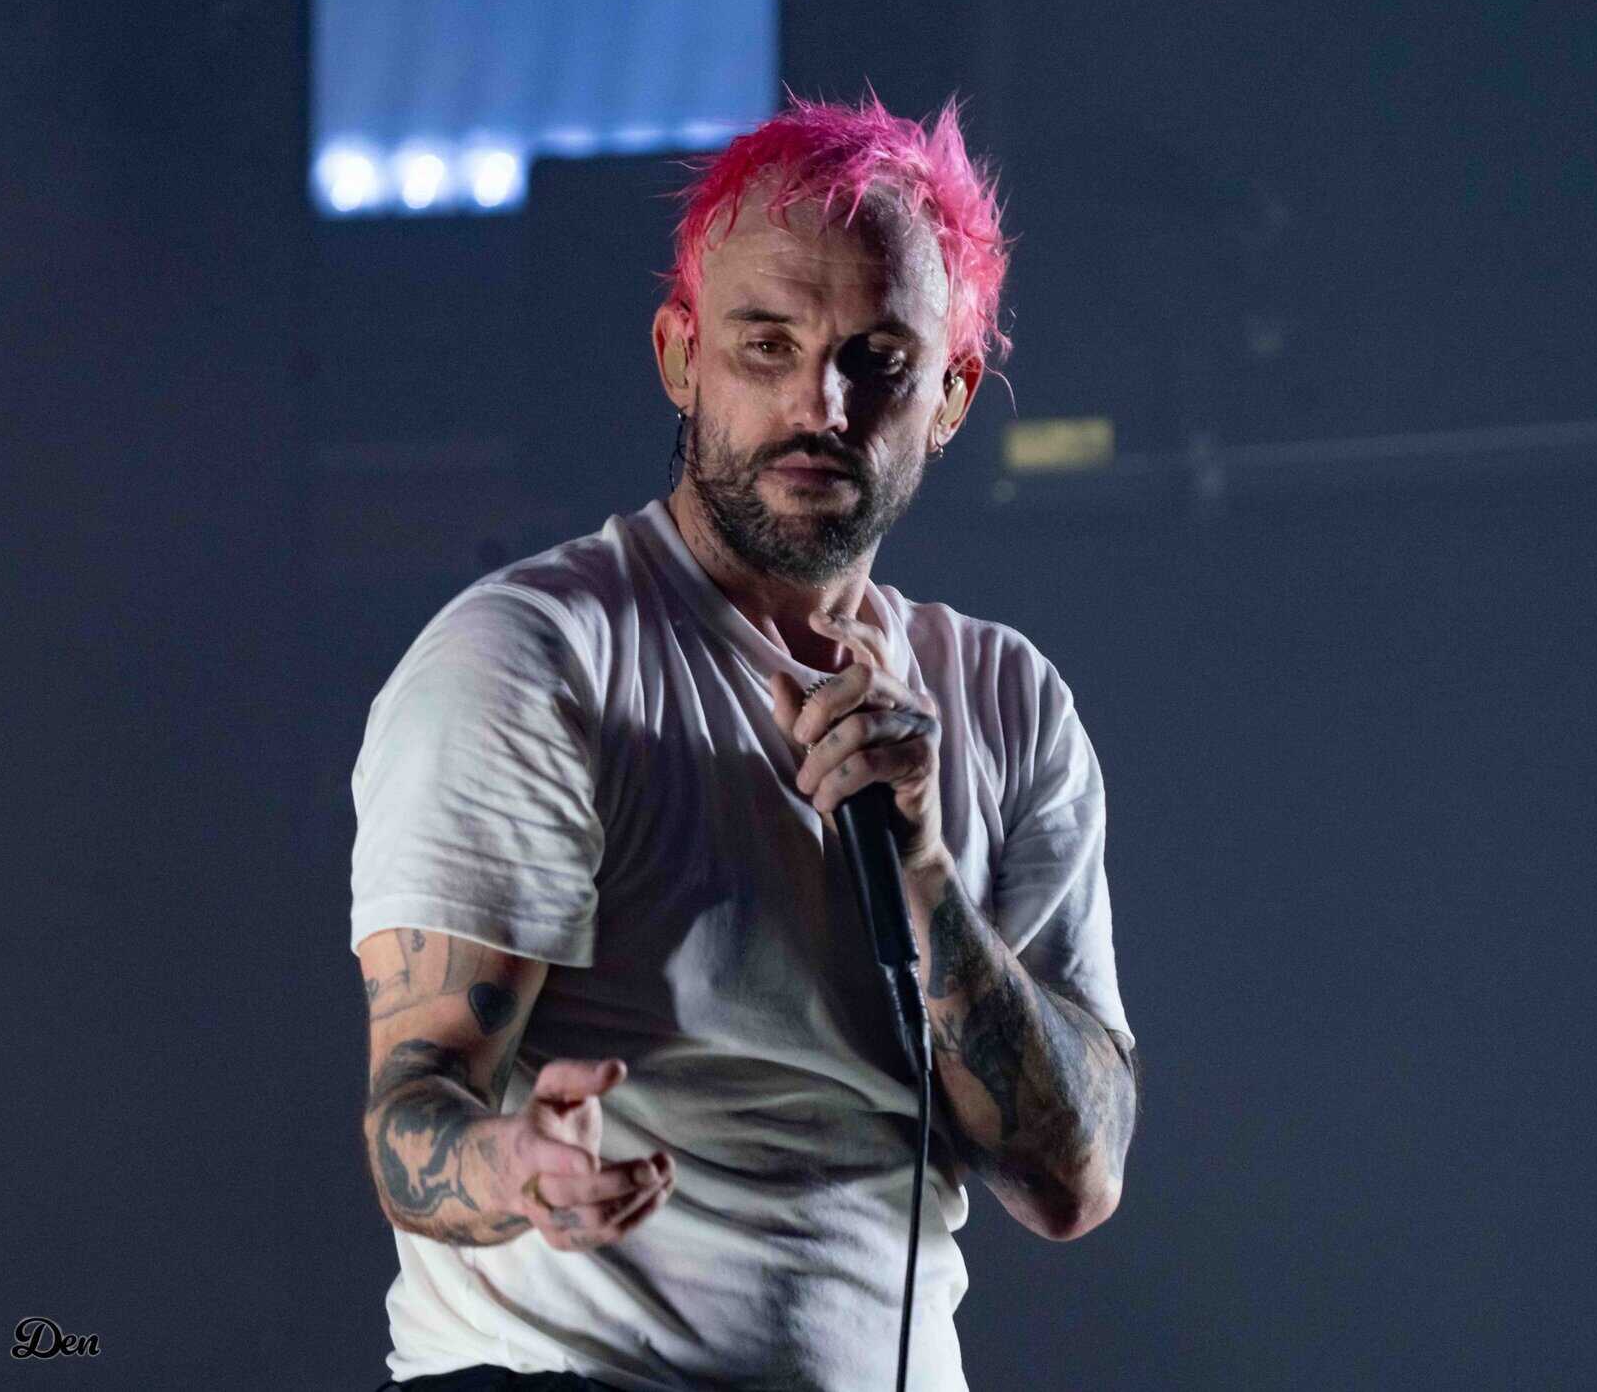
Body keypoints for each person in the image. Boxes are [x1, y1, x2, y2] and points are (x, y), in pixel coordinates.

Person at [349, 91, 1138, 1392]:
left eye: (877, 361)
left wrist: (927, 874)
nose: (818, 403)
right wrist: (519, 1167)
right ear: (681, 356)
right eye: (765, 344)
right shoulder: (536, 660)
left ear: (951, 396)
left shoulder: (1007, 700)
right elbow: (412, 1113)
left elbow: (1076, 1180)